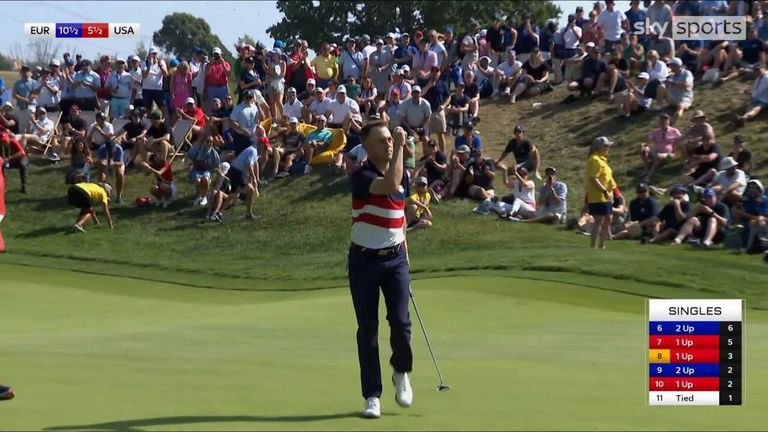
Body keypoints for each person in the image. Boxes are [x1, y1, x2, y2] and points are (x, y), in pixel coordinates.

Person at [348, 122, 413, 419]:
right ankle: (372, 395)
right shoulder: (361, 175)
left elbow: (399, 215)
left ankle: (401, 371)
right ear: (367, 147)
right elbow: (389, 186)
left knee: (400, 322)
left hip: (396, 258)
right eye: (382, 141)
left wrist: (406, 258)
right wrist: (401, 145)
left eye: (390, 139)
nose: (388, 144)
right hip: (364, 262)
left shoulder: (403, 173)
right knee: (368, 330)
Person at [585, 136, 617, 249]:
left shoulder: (602, 159)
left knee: (608, 219)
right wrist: (604, 191)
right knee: (599, 220)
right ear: (599, 147)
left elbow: (608, 177)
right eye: (606, 146)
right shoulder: (594, 160)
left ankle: (602, 245)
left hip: (606, 195)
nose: (608, 148)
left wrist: (612, 190)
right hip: (599, 196)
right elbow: (594, 178)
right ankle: (593, 246)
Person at [640, 113, 681, 183]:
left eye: (665, 120)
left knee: (658, 157)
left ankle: (649, 176)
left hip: (668, 153)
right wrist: (644, 146)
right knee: (644, 150)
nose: (663, 122)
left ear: (668, 121)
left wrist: (675, 151)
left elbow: (681, 139)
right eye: (661, 121)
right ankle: (645, 169)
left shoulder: (674, 131)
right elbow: (647, 142)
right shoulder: (655, 132)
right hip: (656, 151)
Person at [229, 136, 261, 219]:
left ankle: (218, 213)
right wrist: (254, 178)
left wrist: (250, 177)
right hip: (237, 171)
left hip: (236, 170)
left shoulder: (254, 151)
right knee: (250, 190)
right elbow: (249, 165)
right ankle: (248, 214)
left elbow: (251, 166)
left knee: (233, 194)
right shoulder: (253, 151)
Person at [186, 134, 221, 207]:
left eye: (211, 142)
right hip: (196, 170)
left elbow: (217, 165)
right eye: (207, 141)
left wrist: (217, 172)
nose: (209, 144)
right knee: (198, 180)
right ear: (203, 142)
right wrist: (190, 164)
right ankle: (198, 197)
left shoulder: (214, 153)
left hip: (206, 171)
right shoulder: (197, 149)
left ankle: (204, 197)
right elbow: (189, 158)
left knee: (205, 179)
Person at [142, 48, 168, 114]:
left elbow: (166, 75)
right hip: (147, 89)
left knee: (163, 107)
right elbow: (144, 75)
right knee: (147, 109)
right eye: (152, 54)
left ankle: (166, 122)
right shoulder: (144, 63)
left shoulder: (161, 62)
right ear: (149, 55)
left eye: (155, 54)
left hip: (158, 89)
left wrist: (161, 66)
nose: (153, 55)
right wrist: (149, 66)